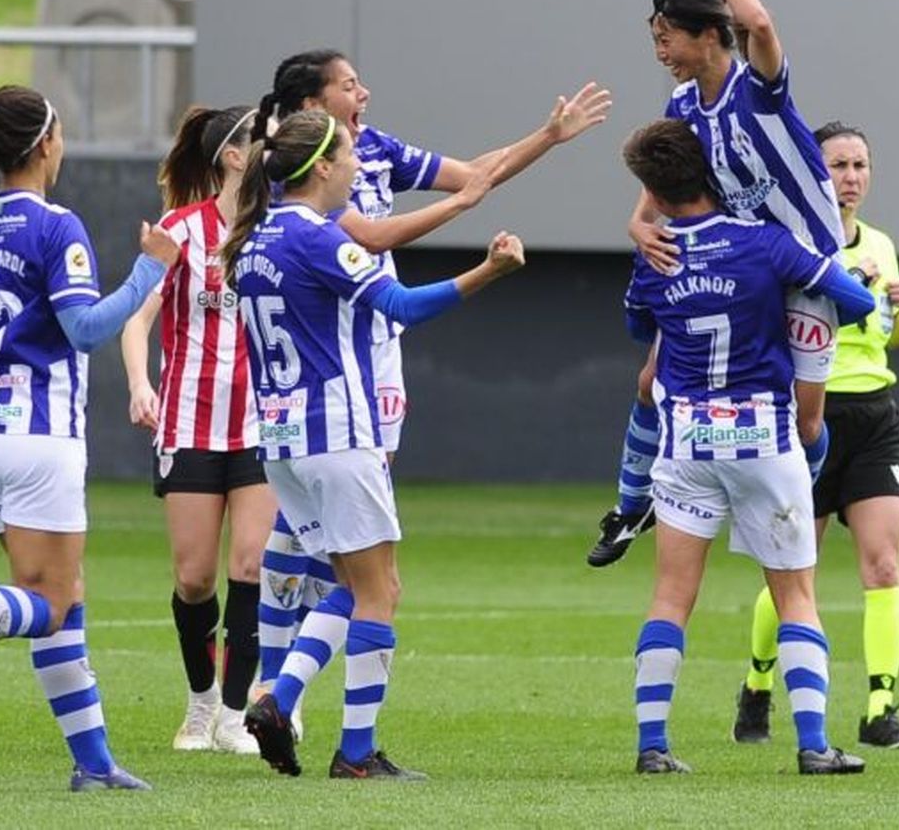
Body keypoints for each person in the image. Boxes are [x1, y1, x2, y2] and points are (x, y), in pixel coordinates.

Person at [249, 50, 609, 705]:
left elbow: (473, 172)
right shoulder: (312, 217)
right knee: (362, 571)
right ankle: (286, 693)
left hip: (307, 406)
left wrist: (547, 138)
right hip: (339, 386)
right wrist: (474, 239)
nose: (365, 90)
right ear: (311, 109)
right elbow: (374, 245)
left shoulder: (278, 218)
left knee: (339, 558)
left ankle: (279, 691)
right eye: (350, 83)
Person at [0, 66, 180, 791]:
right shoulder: (56, 225)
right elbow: (84, 329)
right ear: (47, 143)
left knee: (60, 596)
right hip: (39, 432)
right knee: (47, 601)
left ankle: (95, 763)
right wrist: (151, 272)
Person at [226, 109, 526, 780]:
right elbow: (402, 308)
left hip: (282, 441)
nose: (359, 165)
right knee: (380, 589)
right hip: (337, 434)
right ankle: (355, 752)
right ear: (323, 167)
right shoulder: (319, 238)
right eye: (350, 155)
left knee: (350, 582)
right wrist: (488, 271)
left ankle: (281, 696)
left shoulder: (251, 237)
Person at [619, 120, 873, 776]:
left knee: (671, 597)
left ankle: (652, 745)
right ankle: (813, 745)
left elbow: (636, 324)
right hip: (763, 434)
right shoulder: (765, 244)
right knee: (796, 596)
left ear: (652, 189)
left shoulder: (652, 258)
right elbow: (854, 298)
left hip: (686, 441)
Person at [590, 0, 844, 567]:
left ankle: (797, 502)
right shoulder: (681, 106)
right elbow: (662, 171)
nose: (660, 51)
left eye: (667, 37)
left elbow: (758, 22)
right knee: (650, 381)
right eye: (654, 38)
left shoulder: (758, 87)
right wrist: (636, 223)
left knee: (807, 424)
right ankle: (632, 506)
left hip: (806, 267)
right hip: (736, 267)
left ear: (709, 35)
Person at [733, 122, 899, 750]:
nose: (850, 178)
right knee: (797, 570)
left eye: (860, 166)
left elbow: (883, 339)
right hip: (807, 415)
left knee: (884, 564)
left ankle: (879, 708)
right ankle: (758, 681)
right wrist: (848, 285)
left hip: (874, 414)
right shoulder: (791, 244)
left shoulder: (882, 244)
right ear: (814, 174)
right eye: (838, 165)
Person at [119, 105, 280, 754]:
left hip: (260, 425)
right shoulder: (181, 230)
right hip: (188, 422)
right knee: (194, 579)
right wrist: (140, 384)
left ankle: (237, 714)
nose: (271, 148)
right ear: (234, 157)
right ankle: (200, 702)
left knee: (251, 565)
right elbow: (136, 318)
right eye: (259, 141)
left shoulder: (277, 230)